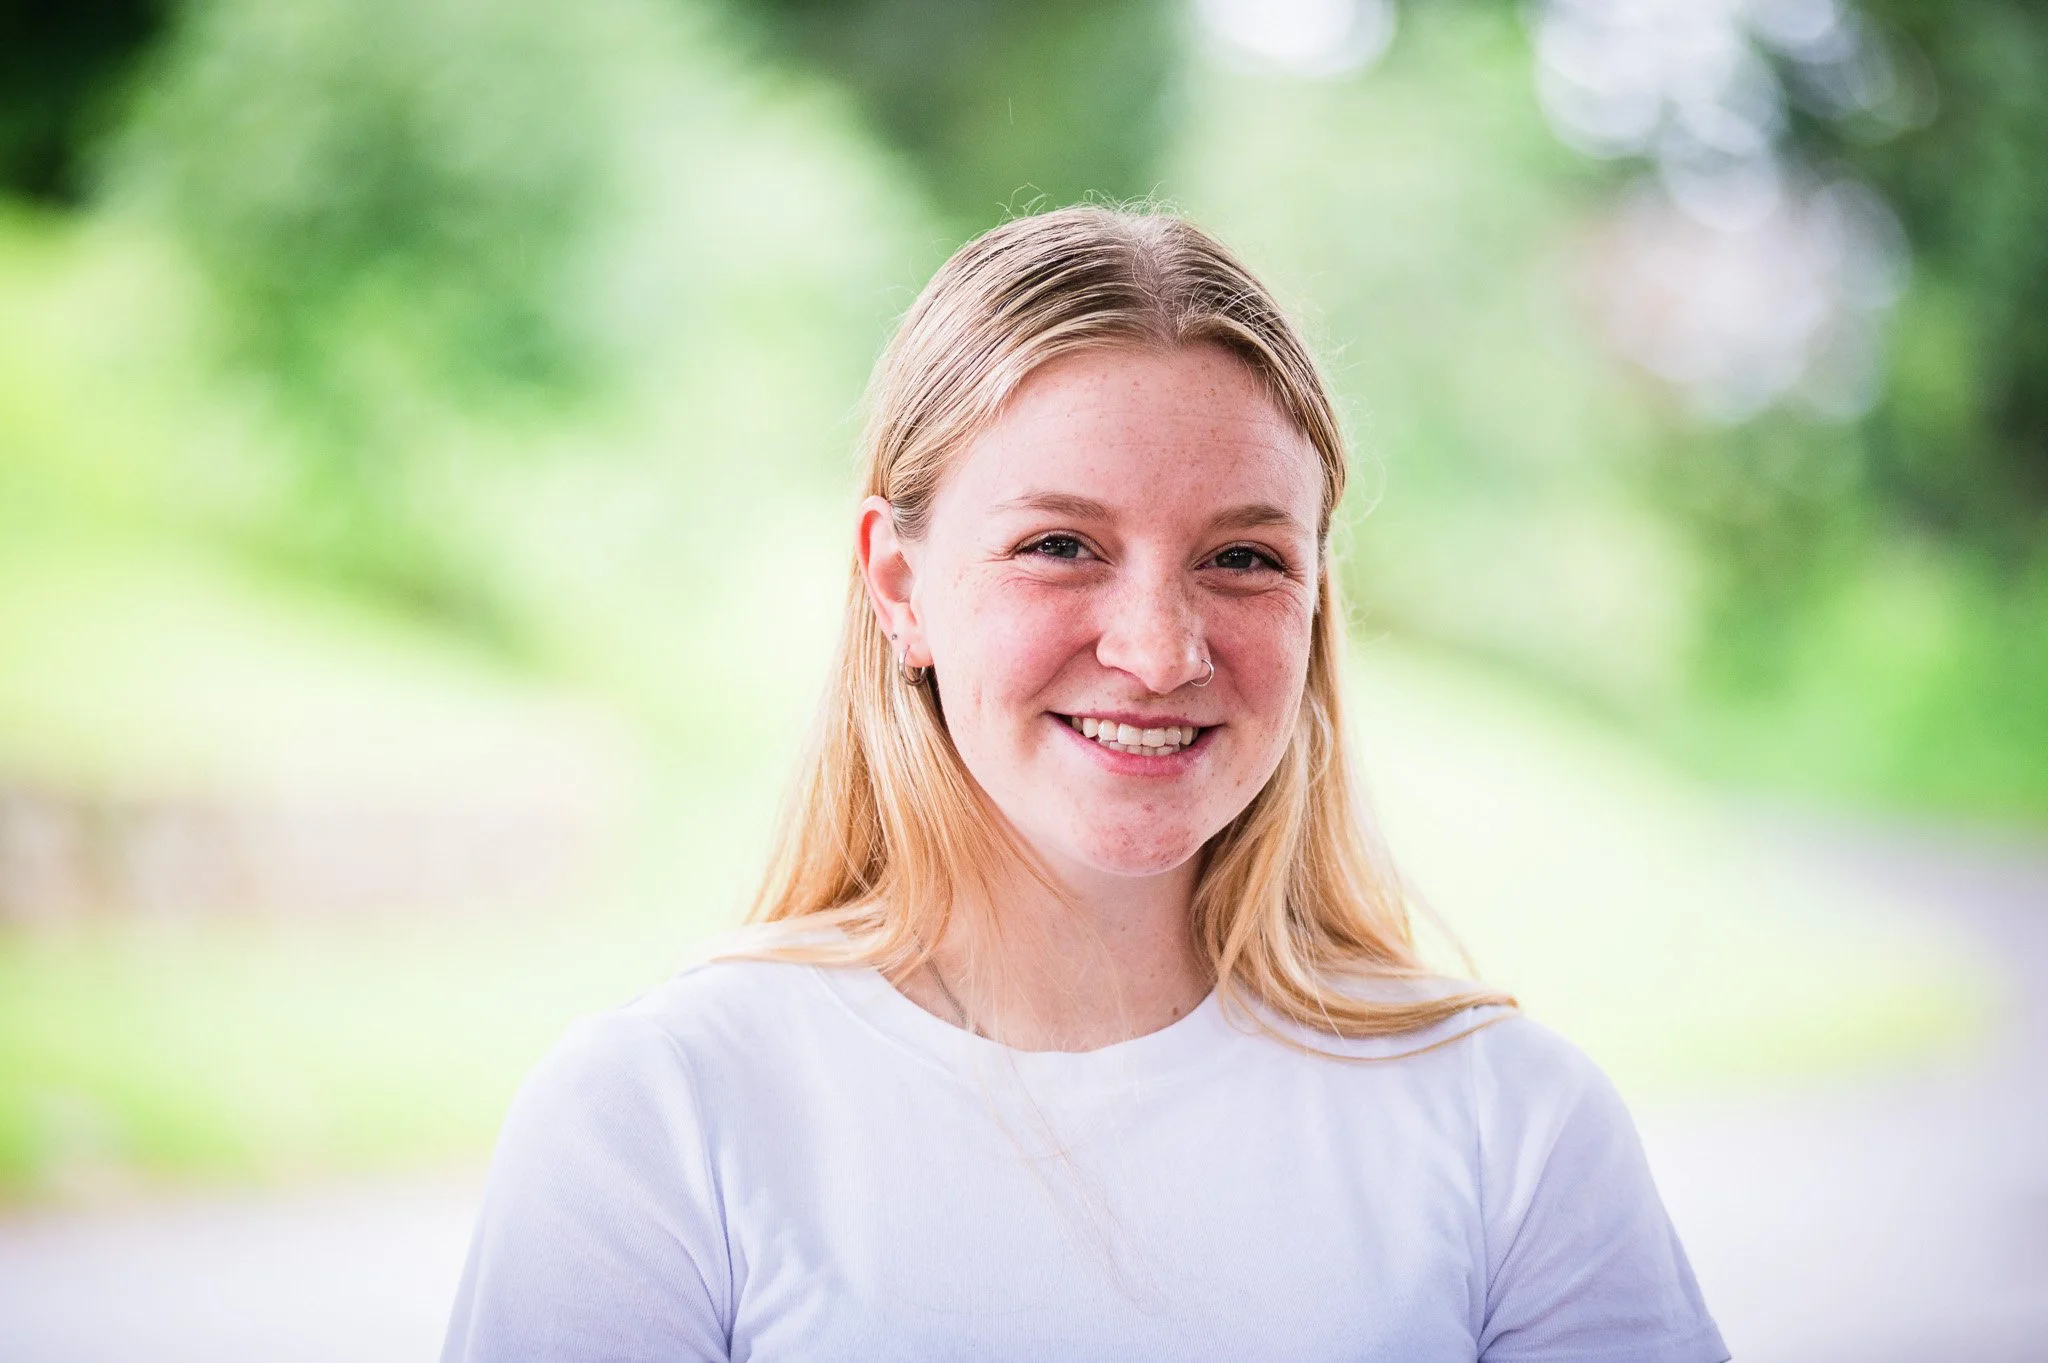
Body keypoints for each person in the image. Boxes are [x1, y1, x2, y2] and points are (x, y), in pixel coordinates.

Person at [441, 204, 1729, 1362]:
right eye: (1060, 545)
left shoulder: (1511, 1125)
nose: (1160, 653)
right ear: (898, 583)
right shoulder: (664, 1119)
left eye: (1243, 558)